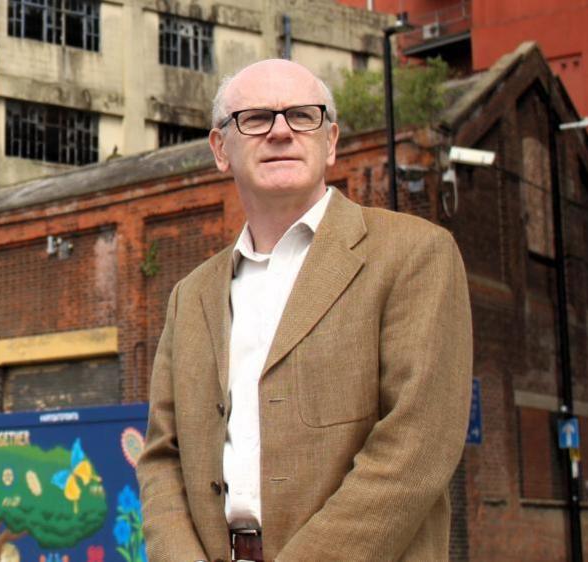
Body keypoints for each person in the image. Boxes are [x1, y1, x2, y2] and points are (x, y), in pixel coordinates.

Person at [136, 59, 473, 561]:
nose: (280, 131)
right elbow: (162, 457)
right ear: (219, 149)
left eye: (302, 115)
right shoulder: (191, 295)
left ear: (330, 141)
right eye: (254, 118)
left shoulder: (414, 254)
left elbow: (416, 447)